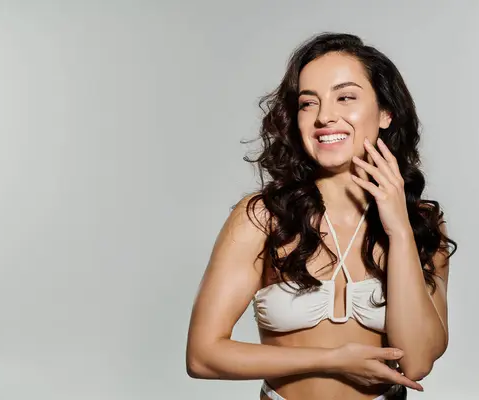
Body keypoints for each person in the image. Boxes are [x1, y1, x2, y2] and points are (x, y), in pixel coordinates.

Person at [185, 32, 457, 400]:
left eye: (345, 97)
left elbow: (418, 361)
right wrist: (330, 360)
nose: (325, 117)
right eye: (308, 103)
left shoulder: (421, 223)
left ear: (386, 113)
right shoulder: (264, 217)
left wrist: (399, 231)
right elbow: (202, 356)